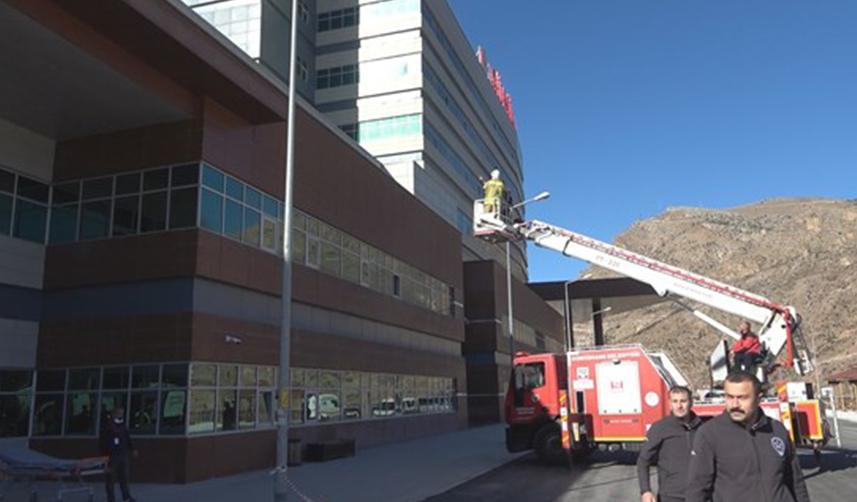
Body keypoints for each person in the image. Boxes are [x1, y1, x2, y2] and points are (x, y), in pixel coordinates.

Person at [686, 371, 810, 502]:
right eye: (729, 397)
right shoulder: (709, 433)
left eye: (742, 398)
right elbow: (697, 489)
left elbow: (796, 481)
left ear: (758, 398)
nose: (734, 405)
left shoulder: (777, 429)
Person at [637, 386, 703, 502]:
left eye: (683, 401)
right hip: (671, 496)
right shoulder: (660, 428)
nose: (679, 406)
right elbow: (643, 461)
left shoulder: (703, 428)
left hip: (700, 495)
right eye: (675, 401)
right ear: (670, 403)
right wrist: (645, 490)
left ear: (691, 402)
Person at [100, 406, 138, 502]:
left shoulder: (122, 425)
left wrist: (132, 449)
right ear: (113, 414)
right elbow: (102, 442)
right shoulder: (107, 426)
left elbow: (127, 437)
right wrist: (104, 456)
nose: (121, 415)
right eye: (119, 413)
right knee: (110, 479)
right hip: (111, 455)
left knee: (124, 477)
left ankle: (126, 497)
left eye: (122, 413)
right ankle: (111, 499)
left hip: (122, 454)